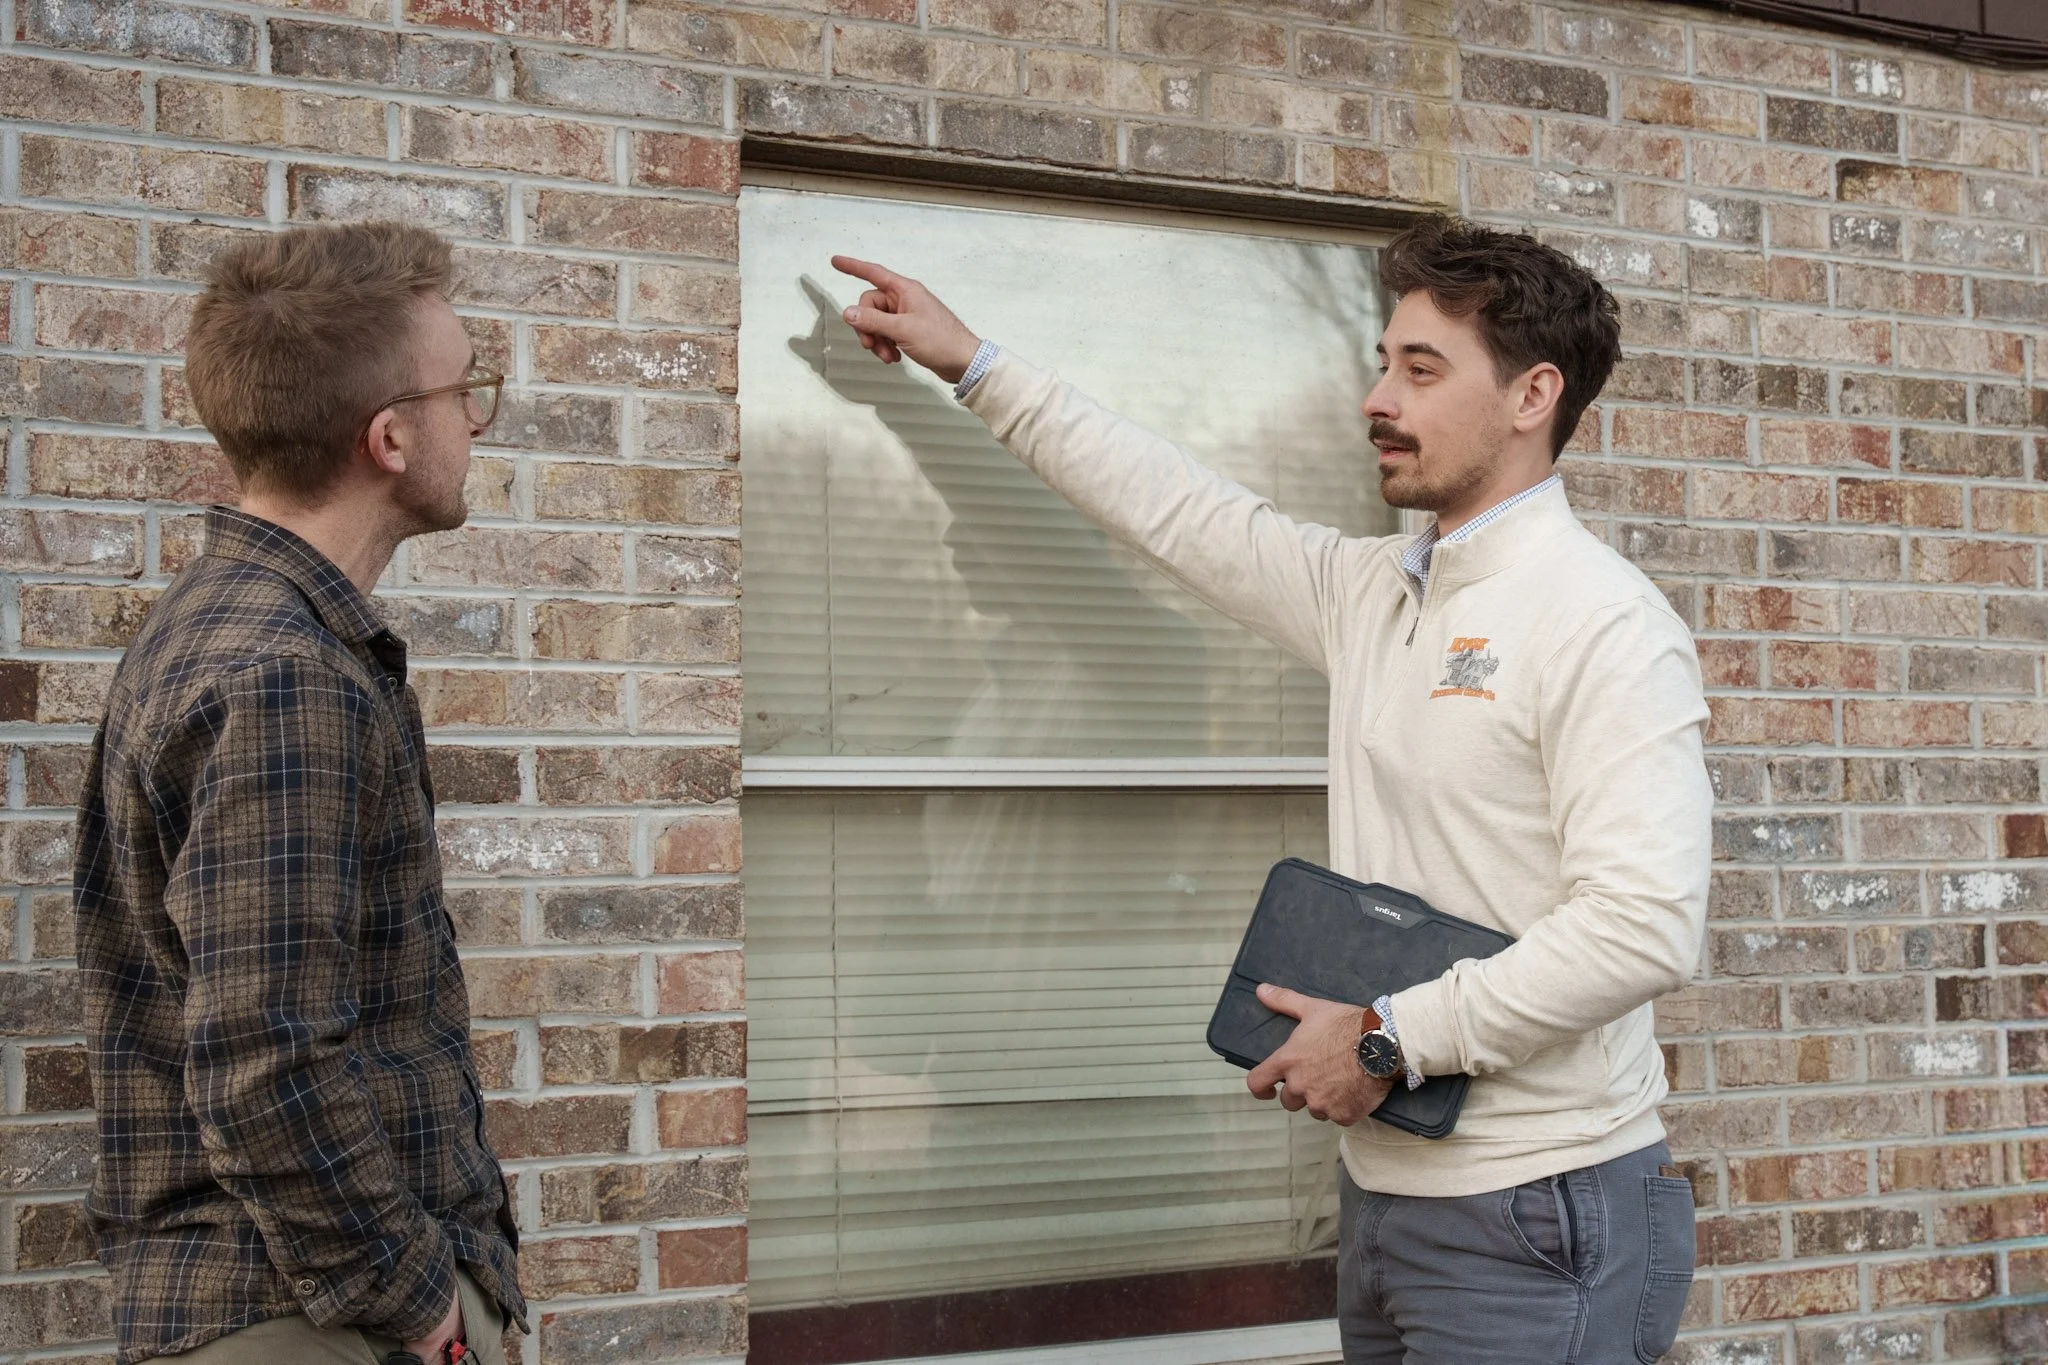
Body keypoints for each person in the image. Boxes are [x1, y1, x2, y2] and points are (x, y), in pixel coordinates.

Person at [831, 216, 1712, 1364]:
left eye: (1419, 368)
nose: (1374, 397)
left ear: (1530, 393)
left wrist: (1388, 1040)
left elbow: (1644, 927)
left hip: (1537, 1214)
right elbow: (1178, 509)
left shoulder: (1603, 621)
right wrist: (977, 365)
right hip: (1385, 1196)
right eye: (1379, 362)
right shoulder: (1376, 591)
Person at [72, 222, 523, 1364]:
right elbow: (268, 1056)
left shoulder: (222, 625)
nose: (474, 419)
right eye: (464, 389)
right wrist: (427, 1308)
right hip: (303, 1323)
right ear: (388, 436)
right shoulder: (285, 672)